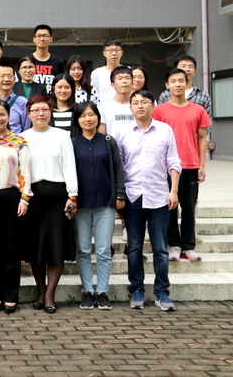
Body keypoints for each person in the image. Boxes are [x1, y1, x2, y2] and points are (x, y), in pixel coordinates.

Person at [116, 89, 181, 311]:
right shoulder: (123, 132)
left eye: (144, 102)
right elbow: (119, 166)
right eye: (135, 102)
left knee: (160, 248)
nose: (140, 106)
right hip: (133, 197)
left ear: (153, 105)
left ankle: (162, 292)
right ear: (130, 108)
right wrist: (120, 196)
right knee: (134, 247)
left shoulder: (165, 130)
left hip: (159, 196)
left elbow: (174, 162)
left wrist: (173, 191)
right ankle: (137, 290)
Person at [22, 94, 78, 314]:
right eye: (35, 110)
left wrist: (72, 195)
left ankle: (50, 295)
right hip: (33, 197)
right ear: (29, 114)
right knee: (36, 248)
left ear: (51, 112)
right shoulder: (22, 138)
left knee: (56, 247)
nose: (40, 114)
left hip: (58, 197)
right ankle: (40, 291)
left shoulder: (62, 136)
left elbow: (69, 165)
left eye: (45, 109)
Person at [71, 102, 126, 311]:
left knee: (103, 250)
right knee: (83, 249)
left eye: (91, 115)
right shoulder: (72, 143)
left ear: (98, 117)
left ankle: (102, 292)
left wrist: (119, 194)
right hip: (81, 205)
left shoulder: (108, 141)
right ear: (77, 120)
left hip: (105, 204)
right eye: (83, 116)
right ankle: (87, 291)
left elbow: (118, 170)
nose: (88, 119)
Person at [0, 99, 32, 314]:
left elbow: (26, 172)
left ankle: (11, 295)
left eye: (2, 114)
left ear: (9, 117)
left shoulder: (19, 142)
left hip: (12, 197)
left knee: (11, 247)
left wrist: (24, 199)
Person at [152, 68, 212, 262]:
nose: (177, 84)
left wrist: (202, 165)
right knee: (170, 207)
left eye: (181, 80)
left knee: (189, 208)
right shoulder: (159, 111)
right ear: (167, 85)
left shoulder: (198, 110)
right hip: (167, 167)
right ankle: (174, 245)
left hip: (191, 165)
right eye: (173, 81)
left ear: (187, 83)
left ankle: (188, 246)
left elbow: (202, 138)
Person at [156, 55, 213, 119]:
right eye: (183, 66)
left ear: (194, 71)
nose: (187, 69)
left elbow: (206, 120)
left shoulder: (203, 95)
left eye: (190, 67)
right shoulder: (165, 95)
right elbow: (160, 118)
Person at [98, 66, 135, 137]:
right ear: (113, 85)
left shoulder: (138, 106)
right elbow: (101, 136)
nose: (124, 81)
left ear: (132, 82)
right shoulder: (103, 107)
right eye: (120, 78)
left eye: (127, 78)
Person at [31, 24, 64, 94]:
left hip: (51, 99)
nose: (42, 39)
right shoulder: (27, 60)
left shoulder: (58, 62)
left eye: (45, 36)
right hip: (31, 99)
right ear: (34, 39)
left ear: (51, 38)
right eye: (39, 36)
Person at [91, 38, 125, 104]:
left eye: (117, 50)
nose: (114, 53)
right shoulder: (97, 73)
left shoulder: (129, 71)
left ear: (122, 52)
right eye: (110, 50)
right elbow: (94, 95)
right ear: (104, 53)